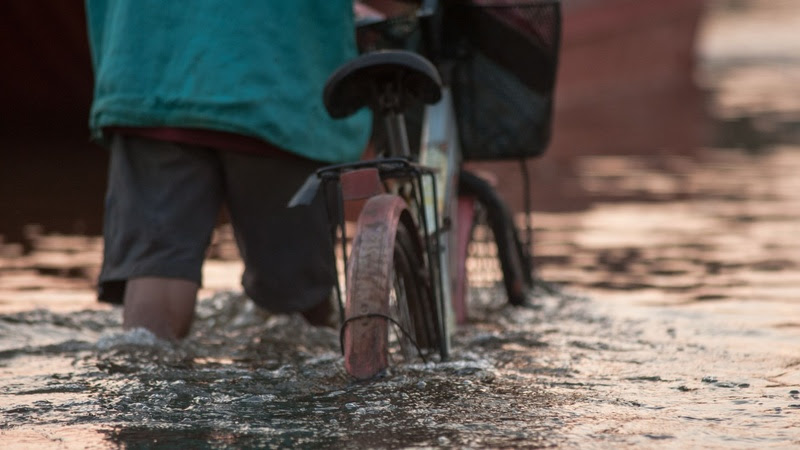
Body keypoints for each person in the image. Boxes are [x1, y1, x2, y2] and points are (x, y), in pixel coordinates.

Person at [85, 1, 371, 339]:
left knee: (158, 269)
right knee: (296, 304)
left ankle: (146, 373)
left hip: (148, 74)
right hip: (278, 88)